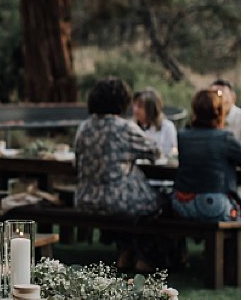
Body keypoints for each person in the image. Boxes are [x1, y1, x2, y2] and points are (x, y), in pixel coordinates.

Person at [74, 76, 162, 271]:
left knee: (137, 205)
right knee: (157, 203)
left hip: (85, 198)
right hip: (117, 199)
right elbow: (154, 151)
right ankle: (144, 257)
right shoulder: (124, 127)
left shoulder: (84, 127)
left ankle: (126, 251)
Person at [172, 86, 241, 222]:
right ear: (219, 112)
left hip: (181, 204)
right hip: (215, 206)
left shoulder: (182, 136)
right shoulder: (225, 138)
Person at [132, 88, 178, 160]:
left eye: (140, 107)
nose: (135, 110)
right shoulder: (132, 127)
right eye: (135, 105)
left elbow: (174, 150)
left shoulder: (167, 127)